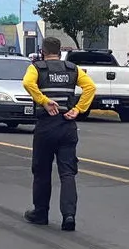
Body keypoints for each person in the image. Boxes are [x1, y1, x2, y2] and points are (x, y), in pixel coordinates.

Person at [22, 36, 96, 231]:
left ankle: (40, 213)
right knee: (67, 173)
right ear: (60, 51)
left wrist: (43, 101)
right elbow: (90, 87)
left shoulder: (36, 68)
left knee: (41, 171)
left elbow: (27, 83)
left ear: (43, 51)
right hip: (67, 125)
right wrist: (78, 109)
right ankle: (69, 216)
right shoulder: (72, 69)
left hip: (46, 126)